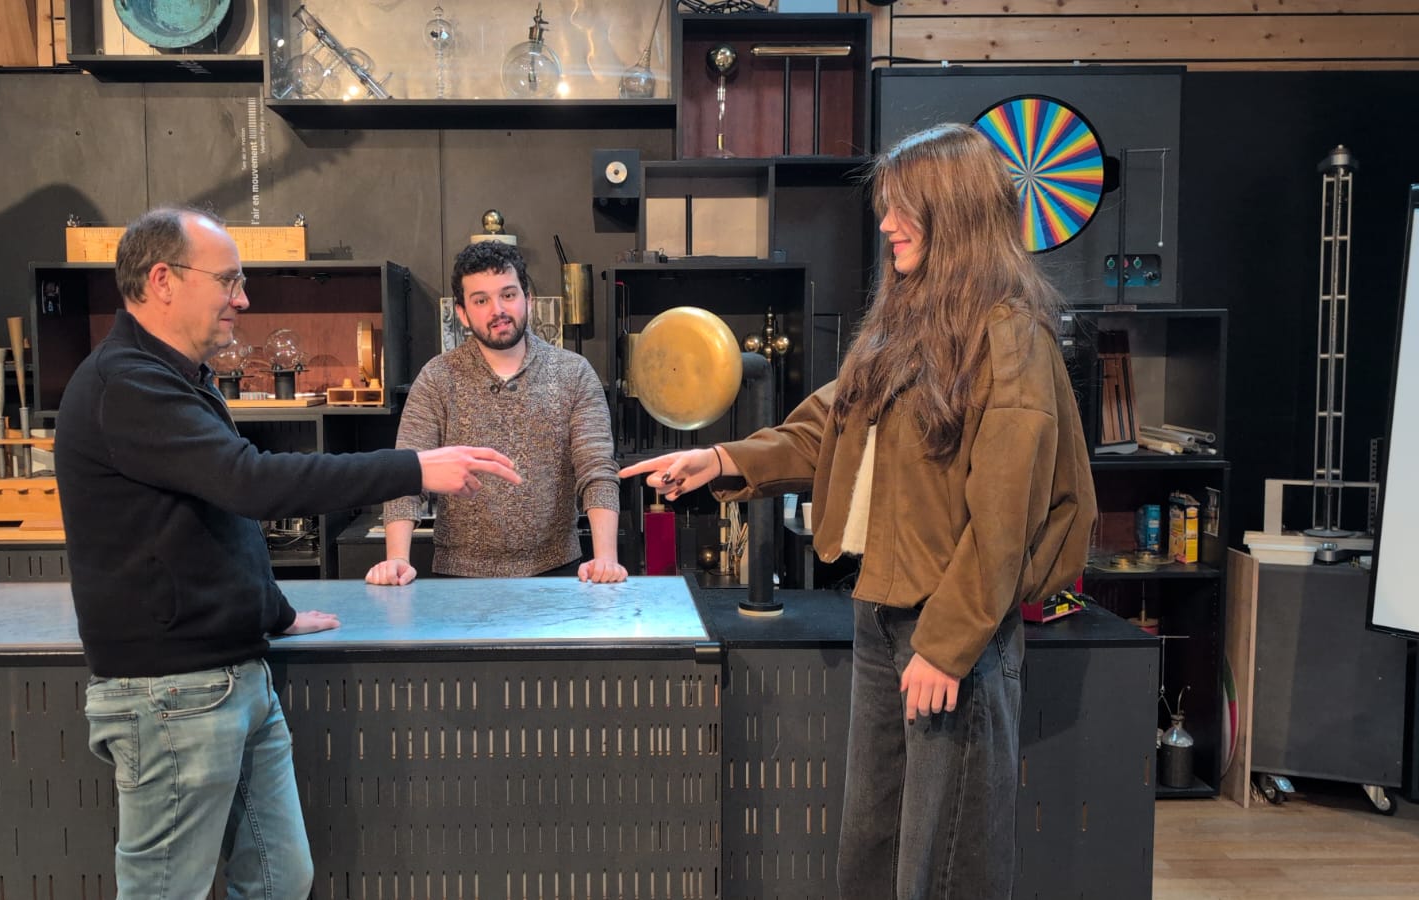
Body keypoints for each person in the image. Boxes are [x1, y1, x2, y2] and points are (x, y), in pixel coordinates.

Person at [618, 123, 1095, 898]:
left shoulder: (1010, 338)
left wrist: (947, 646)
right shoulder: (905, 326)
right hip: (881, 612)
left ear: (955, 214)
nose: (886, 224)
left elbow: (1005, 514)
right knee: (875, 847)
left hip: (951, 627)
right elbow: (827, 429)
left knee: (946, 862)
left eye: (904, 208)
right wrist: (722, 460)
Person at [54, 207, 520, 900]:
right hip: (172, 693)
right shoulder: (126, 384)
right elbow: (249, 483)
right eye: (228, 280)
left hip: (230, 677)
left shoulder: (178, 377)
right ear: (162, 280)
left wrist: (271, 611)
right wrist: (413, 467)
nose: (242, 299)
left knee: (279, 880)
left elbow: (215, 517)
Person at [365, 240, 627, 585]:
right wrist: (397, 559)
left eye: (508, 294)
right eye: (481, 300)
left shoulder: (574, 373)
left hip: (557, 570)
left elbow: (597, 471)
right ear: (462, 313)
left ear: (528, 300)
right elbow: (407, 473)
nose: (497, 310)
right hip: (459, 575)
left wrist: (606, 559)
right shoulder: (437, 377)